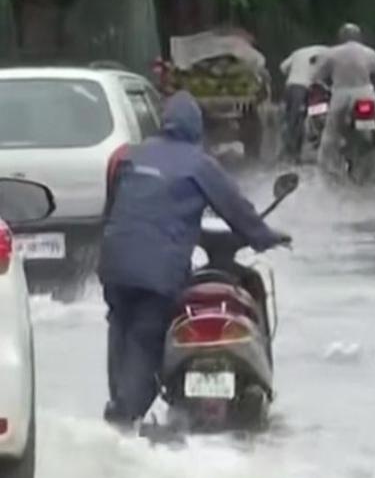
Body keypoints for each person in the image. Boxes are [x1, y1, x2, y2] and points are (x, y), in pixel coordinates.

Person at [97, 92, 290, 430]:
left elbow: (114, 208)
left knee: (121, 329)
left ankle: (118, 404)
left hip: (114, 265)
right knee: (145, 336)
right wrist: (266, 237)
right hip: (158, 271)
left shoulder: (126, 156)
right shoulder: (199, 164)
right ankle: (127, 416)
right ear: (196, 128)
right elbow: (236, 210)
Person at [315, 23, 375, 173]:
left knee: (331, 131)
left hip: (340, 95)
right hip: (364, 93)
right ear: (359, 37)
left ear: (340, 37)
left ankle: (323, 165)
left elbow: (319, 73)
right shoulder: (368, 52)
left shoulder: (332, 53)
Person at [279, 44, 327, 161]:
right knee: (298, 119)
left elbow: (283, 67)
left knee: (291, 119)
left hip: (291, 85)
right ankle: (292, 152)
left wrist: (295, 74)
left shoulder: (298, 52)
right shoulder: (328, 53)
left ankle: (290, 150)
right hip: (304, 87)